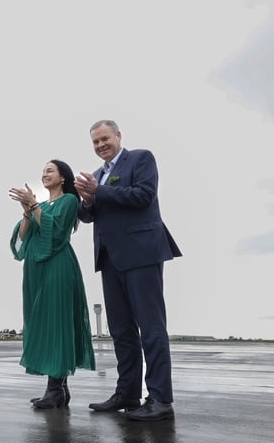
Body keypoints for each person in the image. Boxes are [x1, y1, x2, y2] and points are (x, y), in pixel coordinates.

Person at [74, 119, 181, 421]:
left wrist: (100, 192)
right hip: (109, 258)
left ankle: (160, 399)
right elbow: (87, 215)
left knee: (151, 328)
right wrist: (86, 199)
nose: (100, 145)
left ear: (119, 136)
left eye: (105, 139)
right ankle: (128, 393)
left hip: (142, 252)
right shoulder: (96, 176)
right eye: (95, 142)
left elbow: (144, 195)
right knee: (121, 331)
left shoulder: (141, 159)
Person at [8, 159, 96, 409]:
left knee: (56, 323)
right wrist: (27, 210)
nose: (45, 174)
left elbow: (56, 233)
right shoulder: (42, 205)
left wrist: (34, 205)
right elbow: (23, 238)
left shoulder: (69, 201)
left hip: (58, 266)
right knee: (42, 322)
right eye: (43, 171)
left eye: (50, 170)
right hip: (36, 269)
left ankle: (55, 388)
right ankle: (60, 390)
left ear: (63, 178)